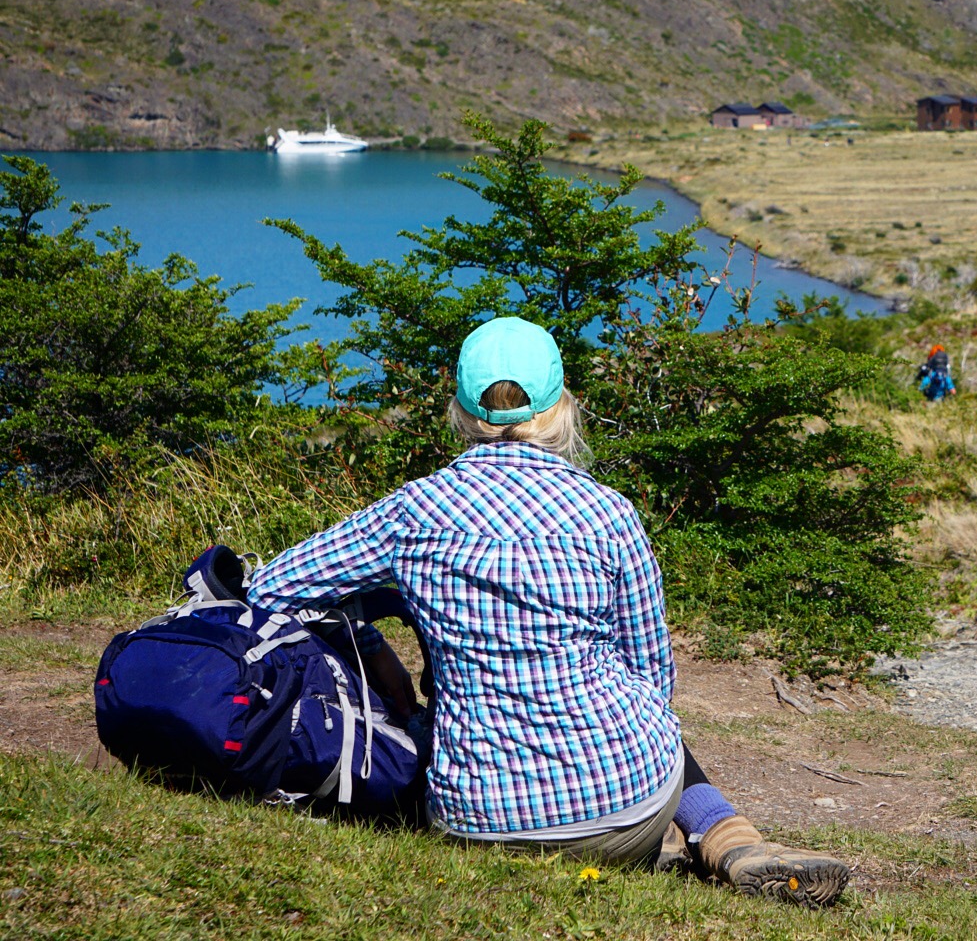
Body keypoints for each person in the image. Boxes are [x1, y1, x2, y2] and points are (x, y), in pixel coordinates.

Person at [247, 317, 849, 906]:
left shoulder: (414, 511)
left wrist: (370, 615)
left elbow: (272, 588)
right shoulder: (608, 512)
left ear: (460, 410)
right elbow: (654, 683)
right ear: (562, 404)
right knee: (636, 712)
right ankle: (724, 839)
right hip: (627, 802)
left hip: (480, 823)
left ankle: (681, 840)